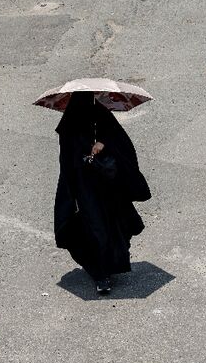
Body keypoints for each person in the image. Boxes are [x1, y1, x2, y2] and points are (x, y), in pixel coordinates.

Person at [54, 92, 151, 295]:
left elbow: (121, 142)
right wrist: (84, 157)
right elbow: (67, 160)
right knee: (95, 228)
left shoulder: (102, 117)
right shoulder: (69, 127)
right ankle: (101, 275)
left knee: (113, 227)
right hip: (84, 189)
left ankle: (109, 266)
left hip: (107, 186)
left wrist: (103, 143)